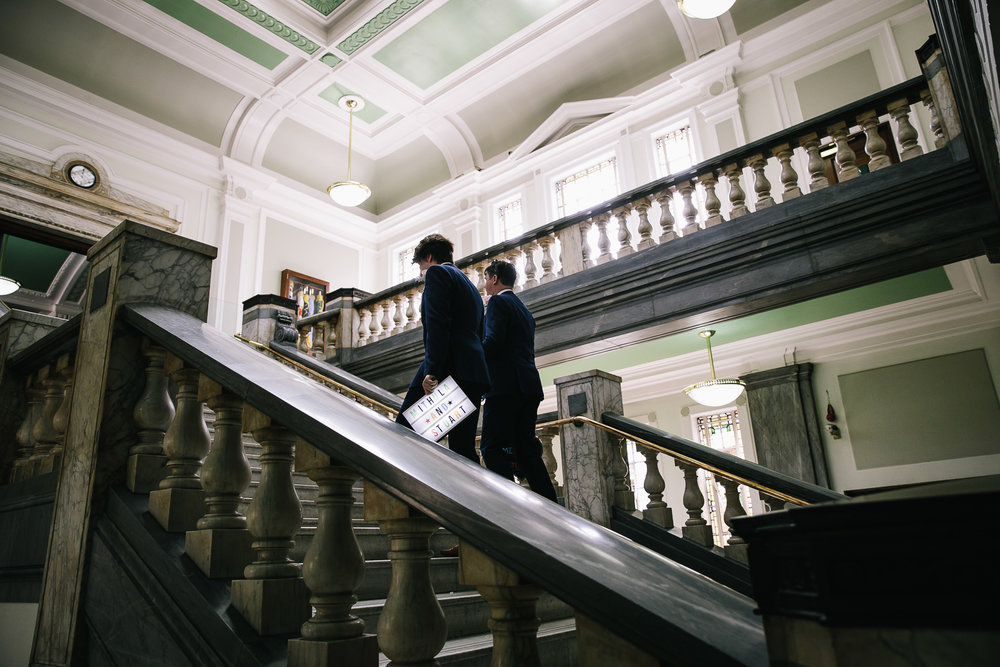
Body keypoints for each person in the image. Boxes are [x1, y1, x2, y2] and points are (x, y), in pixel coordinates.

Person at [395, 234, 490, 464]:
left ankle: (409, 496)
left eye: (420, 265)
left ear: (428, 257)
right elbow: (479, 332)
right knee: (463, 450)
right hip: (473, 375)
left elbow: (438, 325)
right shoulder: (469, 286)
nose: (420, 272)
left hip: (448, 370)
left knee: (403, 434)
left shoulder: (437, 274)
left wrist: (432, 371)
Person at [479, 259, 558, 502]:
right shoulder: (524, 310)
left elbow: (492, 343)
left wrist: (470, 357)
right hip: (528, 388)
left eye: (486, 279)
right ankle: (552, 507)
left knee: (491, 448)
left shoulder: (498, 302)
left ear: (494, 279)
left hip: (504, 388)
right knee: (526, 451)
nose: (484, 286)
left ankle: (508, 505)